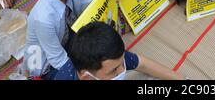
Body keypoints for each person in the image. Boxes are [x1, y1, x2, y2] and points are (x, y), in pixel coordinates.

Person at [24, 0, 94, 80]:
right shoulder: (43, 18)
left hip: (65, 40)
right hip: (46, 65)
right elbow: (57, 59)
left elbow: (90, 7)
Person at [55, 22, 185, 80]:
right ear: (86, 76)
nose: (123, 70)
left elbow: (144, 65)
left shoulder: (111, 57)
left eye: (122, 63)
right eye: (113, 71)